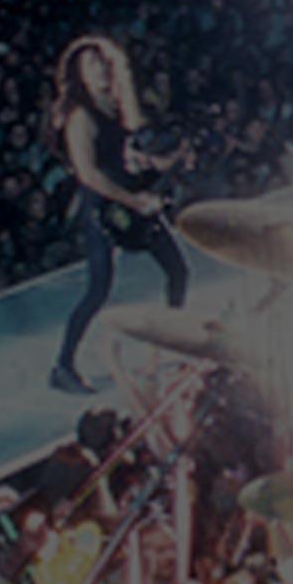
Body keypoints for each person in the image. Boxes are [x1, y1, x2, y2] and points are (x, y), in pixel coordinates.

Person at [47, 32, 190, 395]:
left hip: (132, 196)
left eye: (102, 65)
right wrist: (132, 201)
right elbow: (88, 173)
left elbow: (135, 152)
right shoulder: (81, 115)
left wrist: (169, 162)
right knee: (98, 289)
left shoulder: (118, 104)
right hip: (105, 206)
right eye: (90, 66)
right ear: (79, 73)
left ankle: (168, 346)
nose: (99, 72)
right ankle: (63, 365)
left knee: (178, 271)